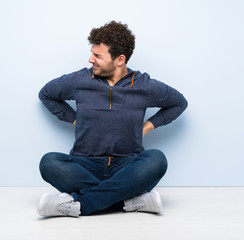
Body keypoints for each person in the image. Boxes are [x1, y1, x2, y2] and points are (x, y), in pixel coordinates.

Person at [37, 20, 188, 217]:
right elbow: (46, 94)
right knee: (49, 162)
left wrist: (148, 127)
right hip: (85, 165)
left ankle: (80, 204)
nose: (91, 60)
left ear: (119, 60)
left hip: (127, 165)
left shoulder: (144, 85)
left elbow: (179, 103)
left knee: (156, 159)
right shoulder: (80, 80)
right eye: (92, 53)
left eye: (98, 56)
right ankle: (130, 201)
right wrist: (75, 119)